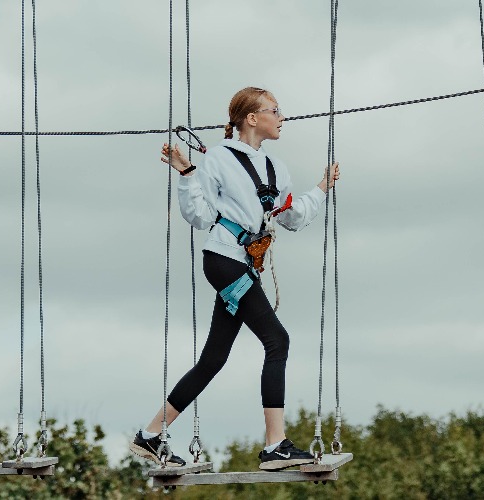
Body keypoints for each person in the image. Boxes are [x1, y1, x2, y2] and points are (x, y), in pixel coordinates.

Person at [132, 87, 340, 470]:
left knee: (213, 359)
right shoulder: (219, 160)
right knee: (277, 340)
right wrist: (187, 173)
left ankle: (149, 435)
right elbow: (198, 215)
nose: (282, 117)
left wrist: (323, 188)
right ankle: (275, 444)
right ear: (251, 118)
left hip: (243, 266)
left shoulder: (277, 169)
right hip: (224, 259)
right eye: (274, 110)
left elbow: (292, 217)